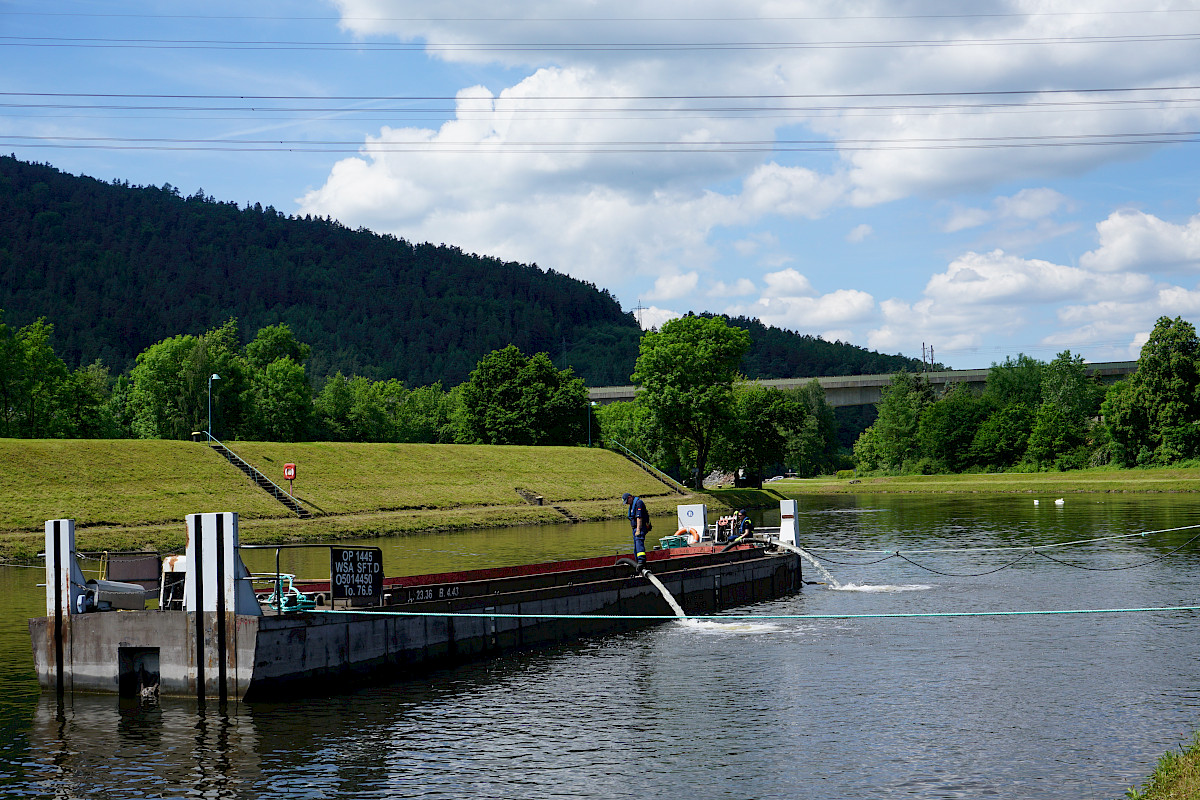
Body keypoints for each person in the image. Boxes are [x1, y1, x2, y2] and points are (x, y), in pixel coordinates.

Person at [622, 492, 651, 569]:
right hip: (635, 528)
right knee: (636, 546)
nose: (627, 503)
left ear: (630, 497)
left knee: (639, 543)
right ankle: (637, 562)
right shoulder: (632, 505)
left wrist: (638, 530)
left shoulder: (639, 503)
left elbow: (639, 517)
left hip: (640, 527)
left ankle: (641, 561)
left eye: (627, 501)